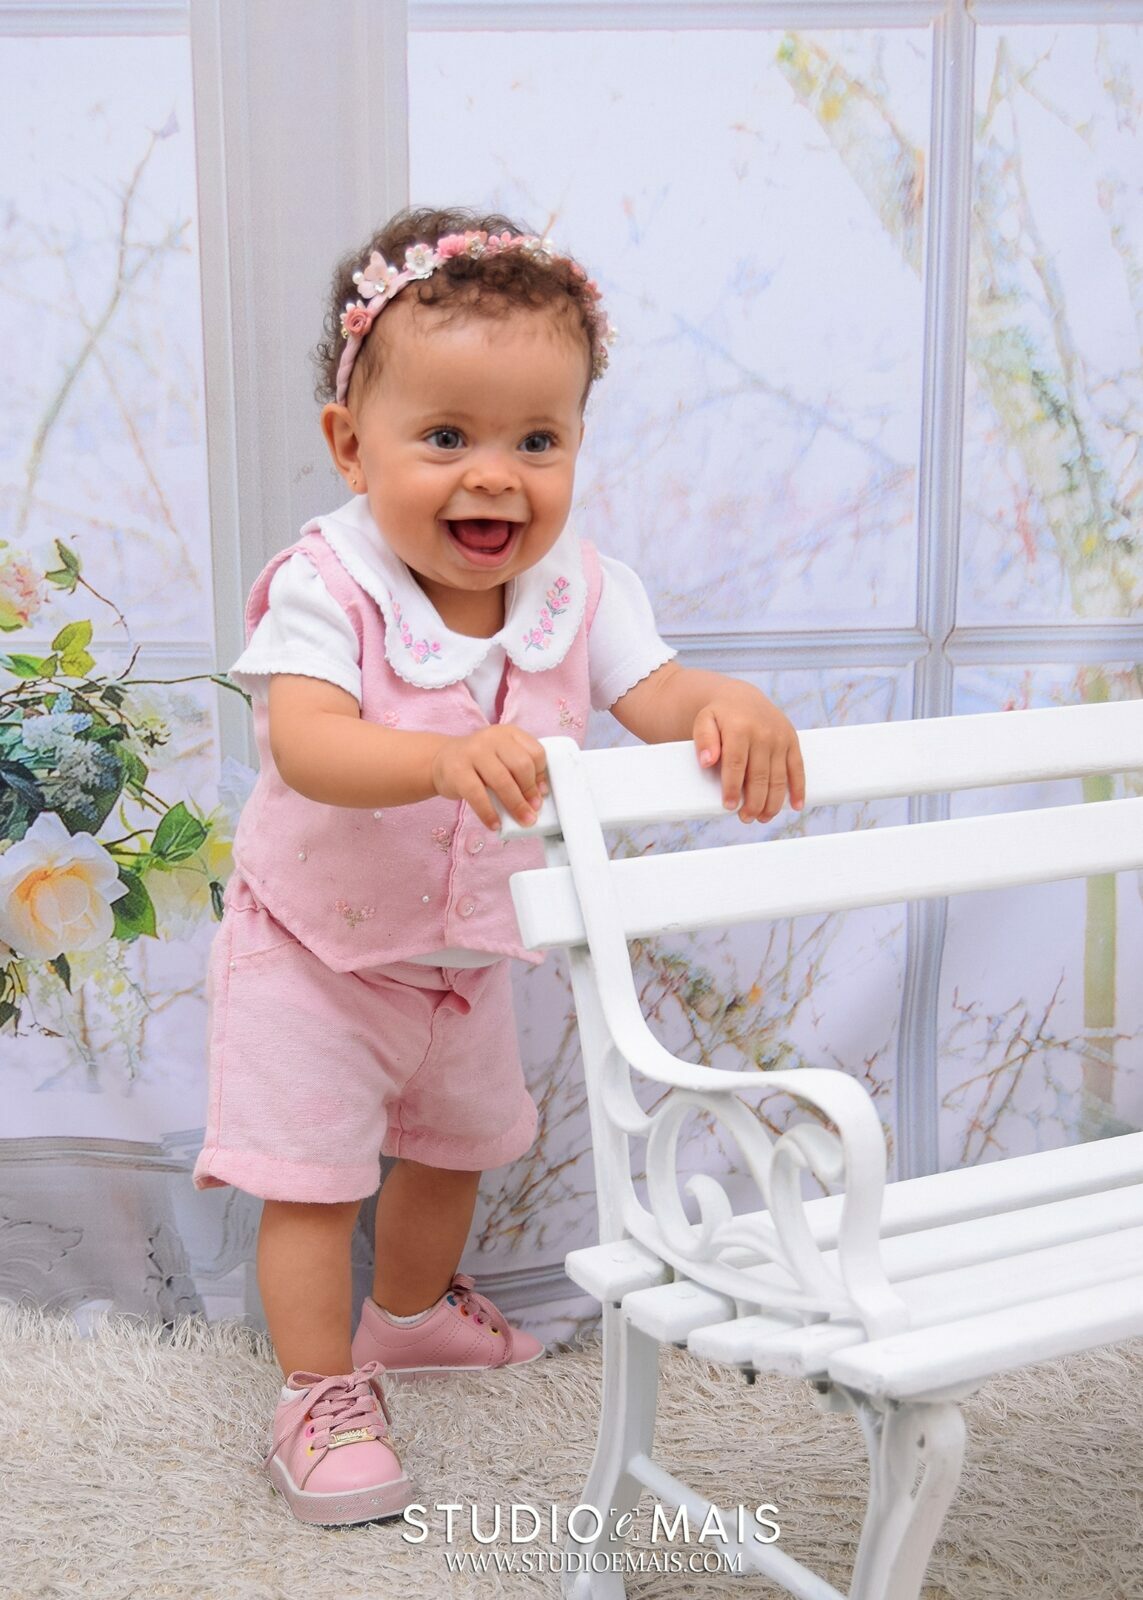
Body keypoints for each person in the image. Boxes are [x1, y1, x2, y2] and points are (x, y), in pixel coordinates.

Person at [192, 206, 805, 1527]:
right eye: (446, 438)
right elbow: (305, 743)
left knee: (454, 1151)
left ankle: (410, 1317)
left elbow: (654, 693)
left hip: (465, 956)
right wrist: (436, 758)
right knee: (313, 1183)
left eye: (538, 440)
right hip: (311, 950)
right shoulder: (329, 586)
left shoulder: (581, 589)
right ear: (351, 447)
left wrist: (727, 702)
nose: (496, 478)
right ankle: (318, 1392)